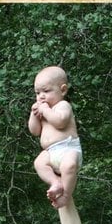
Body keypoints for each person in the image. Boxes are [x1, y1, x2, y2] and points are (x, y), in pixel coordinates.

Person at [29, 64, 82, 206]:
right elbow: (34, 131)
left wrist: (45, 110)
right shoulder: (43, 110)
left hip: (68, 149)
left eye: (46, 91)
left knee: (69, 166)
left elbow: (60, 122)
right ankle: (55, 182)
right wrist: (34, 115)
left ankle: (65, 196)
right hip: (51, 152)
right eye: (37, 93)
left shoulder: (63, 106)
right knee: (39, 163)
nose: (41, 97)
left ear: (62, 90)